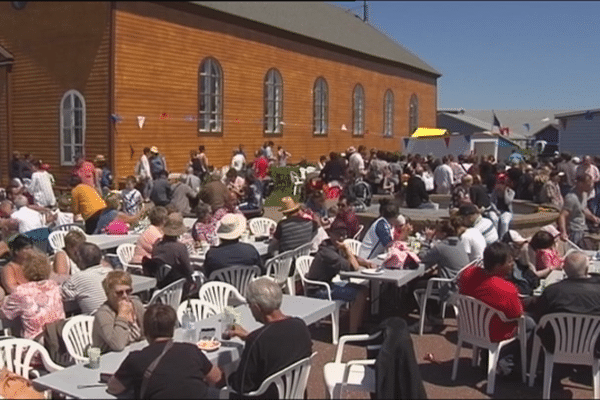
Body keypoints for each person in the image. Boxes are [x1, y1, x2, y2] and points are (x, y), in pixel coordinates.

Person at [107, 304, 223, 399]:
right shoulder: (191, 350)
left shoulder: (135, 359)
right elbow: (216, 378)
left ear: (146, 331)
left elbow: (114, 387)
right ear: (172, 330)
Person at [226, 277, 312, 397]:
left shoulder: (257, 341)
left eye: (249, 305)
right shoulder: (300, 325)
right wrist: (249, 336)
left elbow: (243, 386)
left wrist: (225, 376)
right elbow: (279, 343)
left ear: (257, 307)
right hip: (294, 393)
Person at [305, 220, 373, 333]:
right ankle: (353, 332)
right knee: (360, 294)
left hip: (328, 284)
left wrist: (365, 263)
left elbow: (354, 259)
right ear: (330, 234)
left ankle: (358, 324)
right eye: (338, 234)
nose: (341, 237)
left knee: (364, 289)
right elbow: (354, 267)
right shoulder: (328, 253)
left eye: (343, 234)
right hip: (317, 290)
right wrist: (346, 249)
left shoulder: (332, 245)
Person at [528, 251, 600, 356]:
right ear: (587, 270)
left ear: (564, 269)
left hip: (555, 344)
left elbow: (539, 313)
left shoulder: (552, 291)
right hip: (594, 345)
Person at [458, 242, 525, 343]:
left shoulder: (467, 273)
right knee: (531, 323)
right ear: (498, 266)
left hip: (471, 327)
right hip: (495, 333)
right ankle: (512, 356)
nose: (512, 264)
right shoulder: (506, 288)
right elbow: (517, 315)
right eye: (509, 261)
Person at [0, 249, 65, 340]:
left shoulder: (21, 292)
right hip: (60, 337)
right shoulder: (53, 286)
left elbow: (4, 313)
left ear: (26, 270)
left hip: (35, 344)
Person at [92, 270, 145, 352]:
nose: (125, 296)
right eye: (119, 293)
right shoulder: (103, 314)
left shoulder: (136, 305)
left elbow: (148, 333)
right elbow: (118, 345)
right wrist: (122, 316)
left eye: (128, 291)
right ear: (108, 294)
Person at [203, 213, 264, 277]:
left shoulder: (212, 254)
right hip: (247, 285)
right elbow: (261, 271)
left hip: (221, 286)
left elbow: (207, 274)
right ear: (239, 233)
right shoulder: (250, 250)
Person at [61, 243, 114, 314]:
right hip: (116, 314)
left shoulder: (77, 278)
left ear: (80, 259)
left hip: (95, 320)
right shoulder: (110, 271)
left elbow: (62, 296)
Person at [558, 173, 600, 249]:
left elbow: (583, 209)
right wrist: (563, 232)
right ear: (580, 183)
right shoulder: (571, 198)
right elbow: (562, 215)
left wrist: (593, 217)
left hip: (583, 229)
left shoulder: (584, 194)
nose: (591, 186)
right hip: (574, 231)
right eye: (588, 184)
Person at [151, 214, 194, 285]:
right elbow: (189, 270)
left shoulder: (157, 244)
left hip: (160, 283)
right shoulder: (180, 247)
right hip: (177, 284)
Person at [489, 173, 515, 239]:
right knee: (494, 219)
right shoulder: (494, 191)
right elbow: (492, 202)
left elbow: (507, 202)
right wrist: (496, 211)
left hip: (506, 211)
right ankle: (495, 238)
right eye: (499, 183)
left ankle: (503, 239)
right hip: (495, 210)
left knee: (504, 222)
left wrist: (505, 192)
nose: (500, 185)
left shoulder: (511, 192)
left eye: (503, 183)